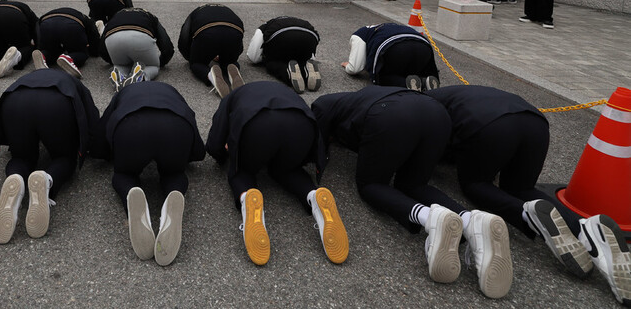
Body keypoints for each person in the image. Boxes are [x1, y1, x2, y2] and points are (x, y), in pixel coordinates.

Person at [312, 85, 512, 298]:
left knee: (372, 185)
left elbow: (317, 141)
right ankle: (471, 220)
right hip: (437, 115)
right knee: (414, 184)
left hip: (390, 114)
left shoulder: (322, 104)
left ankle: (428, 217)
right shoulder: (358, 98)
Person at [425, 84, 594, 278]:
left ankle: (527, 216)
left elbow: (432, 144)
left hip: (491, 124)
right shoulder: (455, 92)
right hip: (536, 122)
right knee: (521, 188)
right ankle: (585, 228)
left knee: (475, 184)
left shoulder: (425, 104)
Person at [206, 80, 348, 267]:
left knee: (242, 170)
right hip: (302, 125)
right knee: (287, 169)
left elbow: (214, 144)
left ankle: (247, 196)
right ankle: (313, 196)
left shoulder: (232, 96)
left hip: (258, 126)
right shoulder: (283, 90)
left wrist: (226, 154)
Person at [94, 80, 205, 265]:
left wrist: (103, 153)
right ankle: (172, 196)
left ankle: (133, 200)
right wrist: (192, 154)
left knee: (124, 175)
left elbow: (103, 128)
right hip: (176, 126)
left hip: (131, 125)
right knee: (173, 173)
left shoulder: (124, 92)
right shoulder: (173, 90)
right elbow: (191, 122)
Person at [0, 68, 100, 243]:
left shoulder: (28, 76)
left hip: (13, 101)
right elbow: (92, 120)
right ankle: (47, 178)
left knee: (21, 158)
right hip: (55, 104)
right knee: (64, 158)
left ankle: (16, 177)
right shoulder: (75, 83)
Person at [341, 22, 439, 91]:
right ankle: (425, 81)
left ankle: (406, 84)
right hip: (424, 47)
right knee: (408, 70)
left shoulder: (358, 34)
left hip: (396, 48)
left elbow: (355, 68)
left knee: (383, 76)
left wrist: (348, 65)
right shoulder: (385, 27)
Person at [177, 4, 244, 97]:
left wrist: (190, 57)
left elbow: (184, 36)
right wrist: (234, 54)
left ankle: (210, 75)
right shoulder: (227, 10)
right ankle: (233, 68)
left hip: (207, 33)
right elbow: (240, 44)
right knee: (229, 60)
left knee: (197, 64)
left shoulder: (195, 12)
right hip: (234, 32)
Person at [100, 7, 175, 86]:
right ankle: (141, 76)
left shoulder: (115, 16)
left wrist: (112, 60)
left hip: (112, 38)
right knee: (152, 66)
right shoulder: (150, 16)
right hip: (139, 36)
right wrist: (161, 62)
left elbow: (102, 48)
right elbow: (166, 45)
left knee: (121, 65)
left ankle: (118, 72)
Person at [246, 16, 321, 93]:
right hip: (309, 36)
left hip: (282, 37)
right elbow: (312, 55)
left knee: (273, 63)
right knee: (301, 59)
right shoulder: (303, 22)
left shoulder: (265, 26)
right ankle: (306, 69)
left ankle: (287, 72)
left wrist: (265, 59)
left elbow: (253, 56)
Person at [35, 7, 100, 78]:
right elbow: (94, 39)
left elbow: (37, 25)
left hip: (46, 24)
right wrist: (93, 51)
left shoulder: (56, 12)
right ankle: (70, 58)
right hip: (71, 25)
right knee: (81, 53)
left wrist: (39, 46)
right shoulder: (88, 20)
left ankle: (43, 55)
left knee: (51, 51)